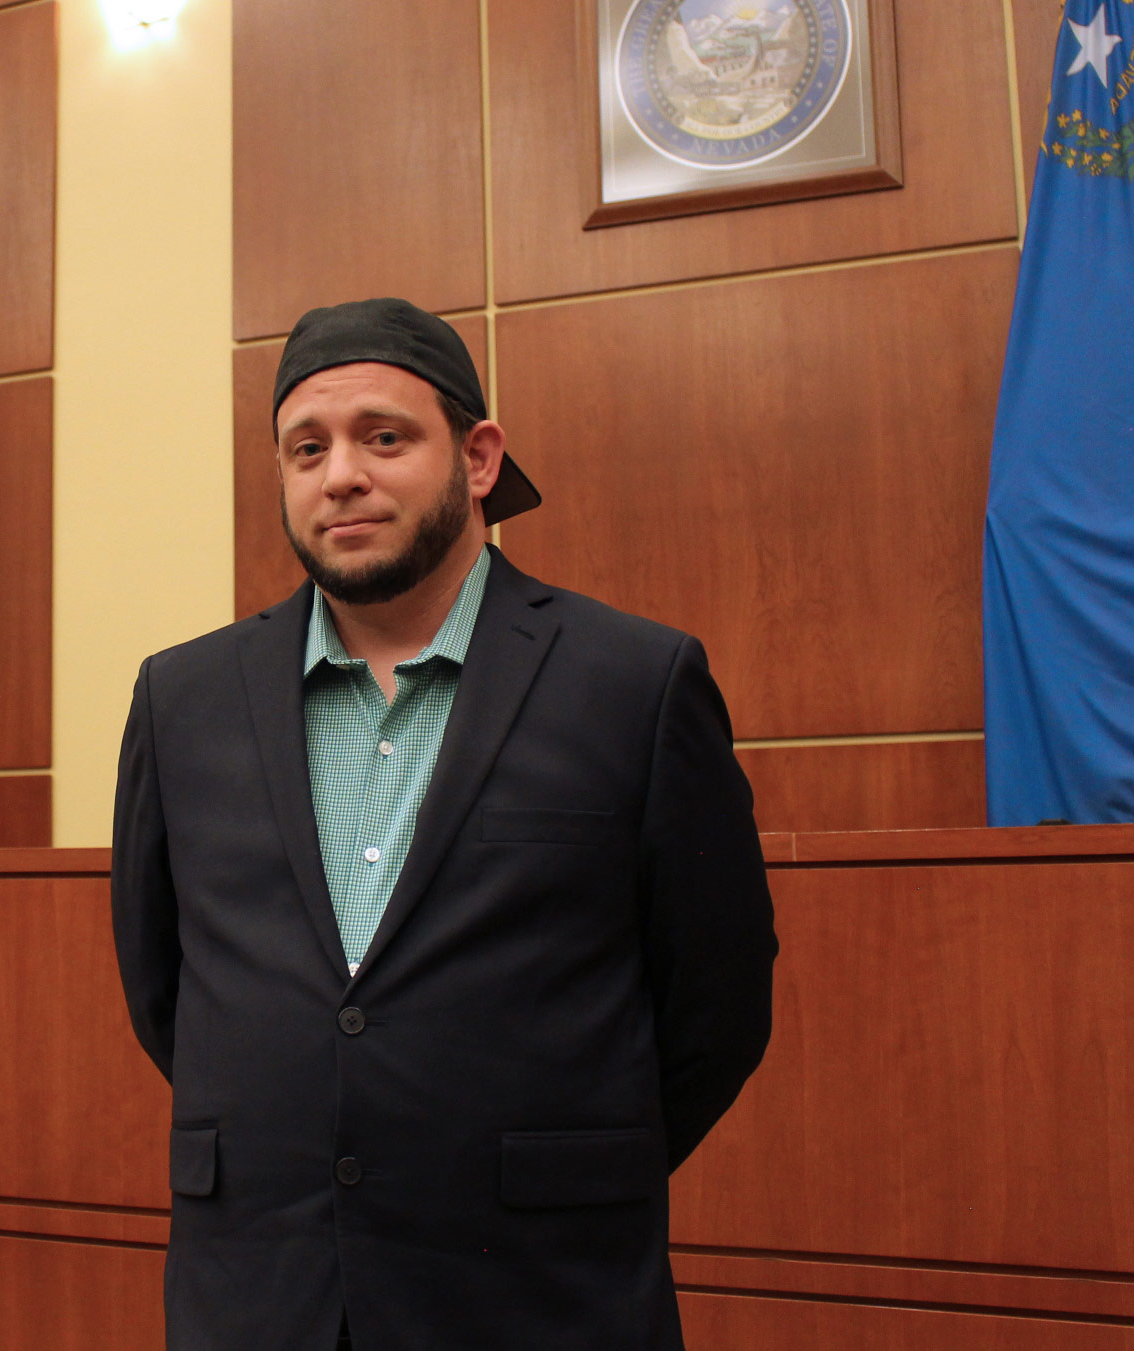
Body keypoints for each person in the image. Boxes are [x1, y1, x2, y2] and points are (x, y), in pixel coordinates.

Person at [112, 297, 777, 1351]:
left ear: (476, 458)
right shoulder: (181, 698)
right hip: (260, 1301)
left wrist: (548, 1169)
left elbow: (717, 1003)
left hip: (542, 1296)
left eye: (384, 436)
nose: (339, 475)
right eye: (305, 447)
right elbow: (164, 989)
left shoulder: (634, 683)